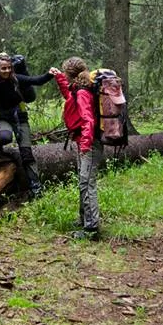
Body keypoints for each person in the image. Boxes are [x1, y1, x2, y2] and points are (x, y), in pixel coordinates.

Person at [0, 54, 53, 198]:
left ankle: (36, 187)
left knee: (27, 154)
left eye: (9, 68)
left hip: (20, 118)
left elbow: (36, 81)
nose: (7, 71)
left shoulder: (16, 78)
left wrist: (50, 74)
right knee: (4, 137)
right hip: (3, 118)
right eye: (3, 68)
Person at [50, 57, 102, 240]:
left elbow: (88, 120)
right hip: (83, 141)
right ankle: (84, 219)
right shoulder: (79, 88)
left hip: (89, 144)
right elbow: (68, 96)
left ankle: (91, 229)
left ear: (70, 73)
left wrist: (86, 145)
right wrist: (59, 79)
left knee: (87, 184)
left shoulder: (82, 93)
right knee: (83, 182)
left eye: (64, 73)